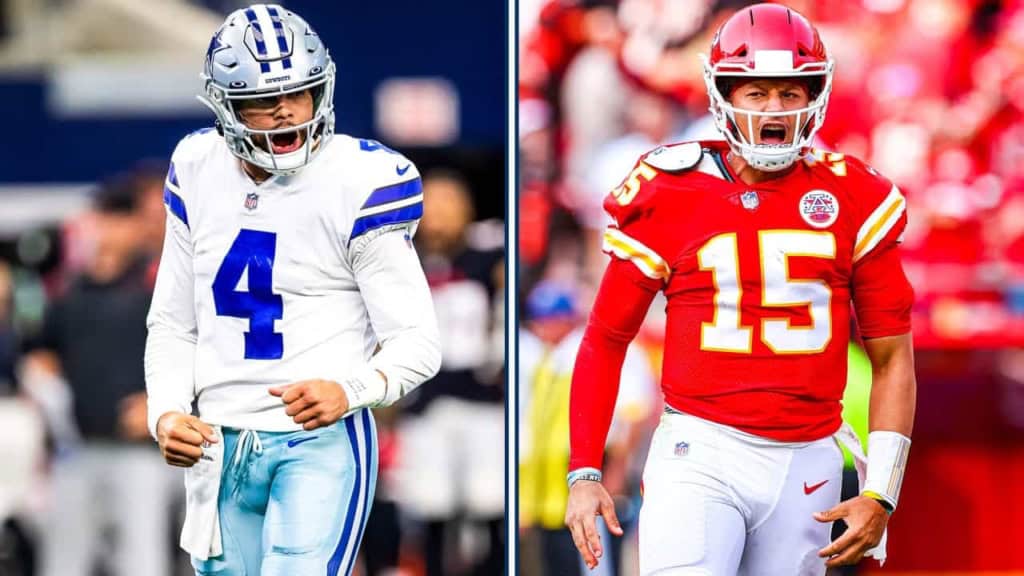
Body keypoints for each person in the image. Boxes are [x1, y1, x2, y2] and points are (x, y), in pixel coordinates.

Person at [564, 4, 917, 575]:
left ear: (815, 95)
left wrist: (881, 492)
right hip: (700, 449)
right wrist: (585, 471)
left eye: (790, 93)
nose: (774, 111)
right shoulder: (668, 189)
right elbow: (605, 337)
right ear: (723, 94)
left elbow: (893, 355)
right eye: (756, 93)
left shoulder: (857, 195)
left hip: (809, 459)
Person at [144, 4, 441, 576]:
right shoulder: (196, 164)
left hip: (317, 440)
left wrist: (351, 389)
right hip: (218, 442)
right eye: (262, 100)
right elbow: (174, 322)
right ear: (225, 107)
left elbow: (418, 341)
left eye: (299, 94)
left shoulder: (362, 180)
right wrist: (167, 412)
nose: (284, 113)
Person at [25, 179, 181, 576]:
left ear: (134, 226)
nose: (107, 229)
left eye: (118, 219)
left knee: (142, 562)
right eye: (102, 218)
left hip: (140, 453)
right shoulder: (71, 293)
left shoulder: (155, 287)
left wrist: (158, 401)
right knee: (63, 562)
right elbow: (42, 351)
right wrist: (48, 388)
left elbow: (189, 354)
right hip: (77, 450)